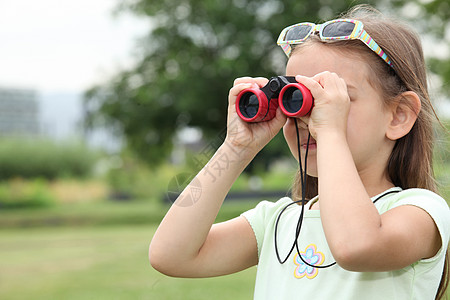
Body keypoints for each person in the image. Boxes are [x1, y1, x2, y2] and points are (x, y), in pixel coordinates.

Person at [149, 5, 450, 299]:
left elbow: (355, 245)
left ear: (399, 115)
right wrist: (236, 147)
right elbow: (171, 254)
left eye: (335, 98)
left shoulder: (420, 212)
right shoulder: (278, 221)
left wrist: (330, 131)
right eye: (296, 98)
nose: (308, 119)